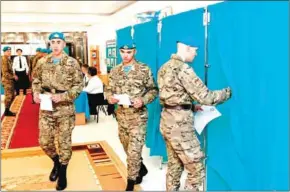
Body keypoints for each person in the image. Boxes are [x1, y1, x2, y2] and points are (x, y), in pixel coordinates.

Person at [157, 38, 232, 191]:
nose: (196, 54)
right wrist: (228, 93)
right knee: (197, 170)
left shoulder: (164, 67)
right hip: (180, 127)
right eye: (195, 50)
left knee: (174, 166)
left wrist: (191, 106)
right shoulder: (184, 69)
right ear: (187, 48)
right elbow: (207, 97)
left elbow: (172, 97)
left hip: (166, 121)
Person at [32, 32, 83, 191]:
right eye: (53, 42)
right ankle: (56, 161)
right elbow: (36, 80)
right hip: (46, 107)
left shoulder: (72, 63)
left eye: (58, 42)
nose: (55, 45)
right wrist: (35, 92)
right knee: (44, 142)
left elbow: (78, 86)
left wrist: (63, 96)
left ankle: (63, 172)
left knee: (64, 143)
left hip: (65, 108)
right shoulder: (42, 61)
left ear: (63, 44)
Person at [105, 40, 158, 191]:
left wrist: (143, 100)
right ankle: (141, 168)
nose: (125, 55)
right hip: (121, 115)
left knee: (134, 152)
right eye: (123, 52)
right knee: (127, 147)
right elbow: (108, 90)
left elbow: (153, 90)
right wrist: (110, 97)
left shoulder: (143, 69)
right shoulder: (115, 70)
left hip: (138, 116)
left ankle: (130, 182)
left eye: (129, 52)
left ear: (135, 52)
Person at [1, 46, 16, 116]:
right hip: (7, 81)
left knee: (12, 96)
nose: (9, 52)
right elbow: (5, 72)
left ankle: (7, 110)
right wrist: (13, 76)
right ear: (4, 52)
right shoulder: (4, 59)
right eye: (7, 51)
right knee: (9, 96)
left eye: (10, 51)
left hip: (10, 80)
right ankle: (6, 111)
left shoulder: (8, 59)